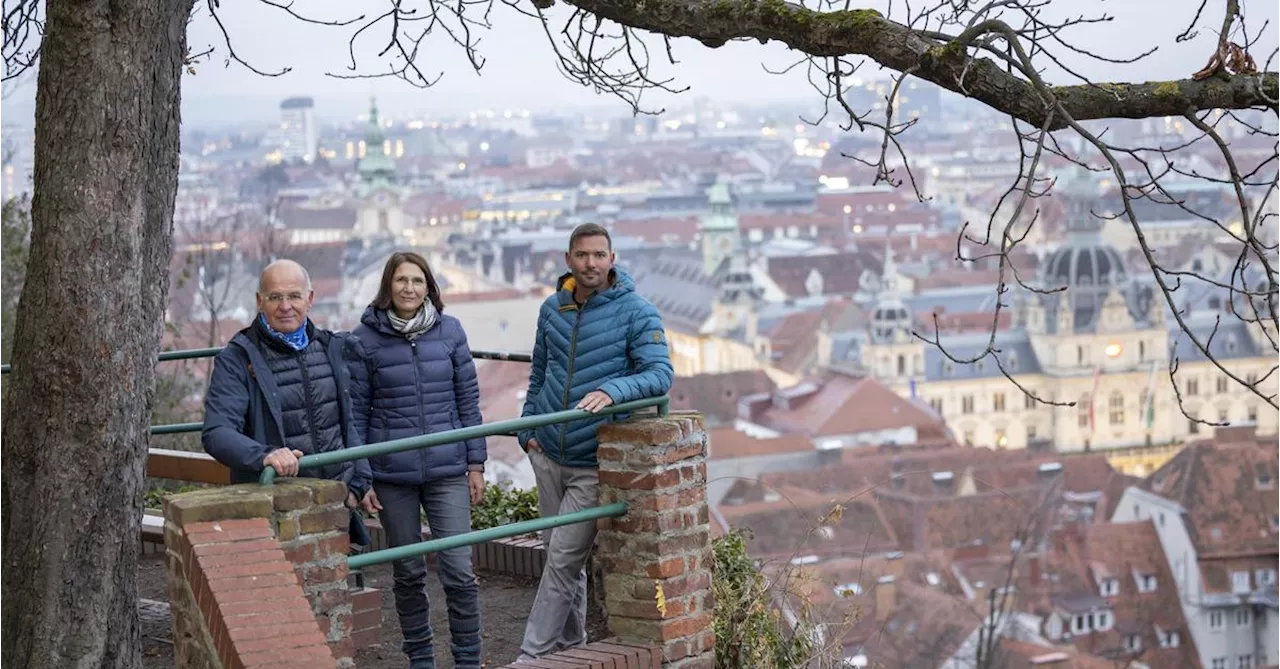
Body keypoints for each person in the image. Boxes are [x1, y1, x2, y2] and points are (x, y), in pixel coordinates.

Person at [516, 223, 674, 661]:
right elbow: (539, 373)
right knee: (559, 558)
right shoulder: (552, 309)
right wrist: (527, 432)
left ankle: (531, 655)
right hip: (547, 453)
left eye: (599, 255)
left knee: (564, 559)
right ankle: (571, 648)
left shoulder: (637, 312)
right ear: (568, 260)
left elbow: (660, 375)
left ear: (612, 259)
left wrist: (614, 391)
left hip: (591, 460)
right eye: (582, 255)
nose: (590, 263)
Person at [346, 251, 487, 669]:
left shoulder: (451, 332)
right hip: (392, 474)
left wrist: (475, 463)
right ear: (388, 286)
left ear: (430, 288)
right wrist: (361, 474)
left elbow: (468, 401)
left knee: (460, 571)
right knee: (407, 573)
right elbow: (355, 411)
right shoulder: (364, 340)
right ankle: (421, 659)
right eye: (402, 280)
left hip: (448, 469)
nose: (409, 288)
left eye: (418, 281)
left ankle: (468, 660)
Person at [201, 259, 372, 541]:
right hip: (278, 509)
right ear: (260, 301)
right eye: (275, 297)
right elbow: (217, 433)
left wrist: (358, 485)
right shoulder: (238, 359)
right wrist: (265, 454)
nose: (285, 306)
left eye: (294, 296)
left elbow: (347, 423)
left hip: (337, 504)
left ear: (310, 299)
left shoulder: (330, 348)